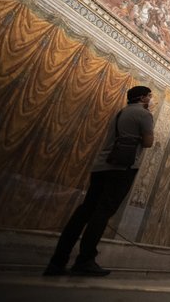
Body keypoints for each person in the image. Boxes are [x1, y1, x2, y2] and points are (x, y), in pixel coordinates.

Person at [44, 86, 155, 277]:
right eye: (150, 97)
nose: (151, 100)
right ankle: (85, 260)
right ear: (143, 97)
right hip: (121, 168)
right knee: (102, 213)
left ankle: (58, 260)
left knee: (85, 210)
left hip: (101, 166)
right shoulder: (144, 115)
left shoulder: (121, 113)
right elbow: (148, 142)